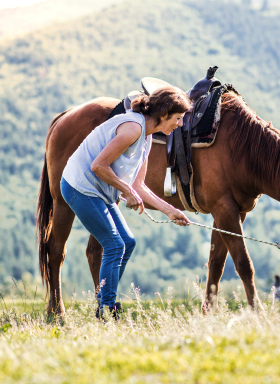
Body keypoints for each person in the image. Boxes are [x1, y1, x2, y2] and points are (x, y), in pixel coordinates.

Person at [60, 86, 192, 318]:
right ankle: (107, 309)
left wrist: (171, 211)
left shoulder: (147, 137)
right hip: (80, 187)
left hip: (99, 190)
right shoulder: (132, 128)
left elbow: (139, 185)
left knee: (127, 242)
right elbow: (98, 166)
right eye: (178, 118)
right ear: (164, 115)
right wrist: (127, 192)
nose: (180, 124)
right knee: (115, 245)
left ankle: (103, 300)